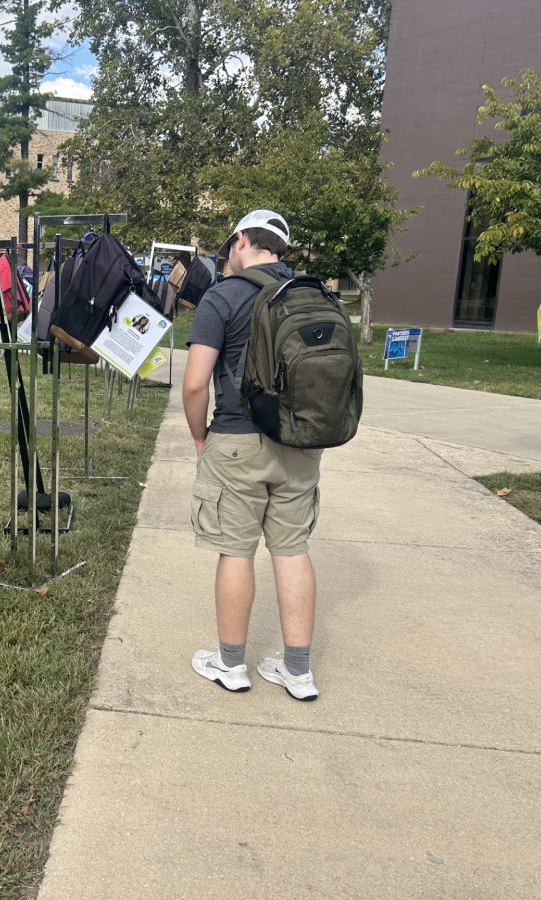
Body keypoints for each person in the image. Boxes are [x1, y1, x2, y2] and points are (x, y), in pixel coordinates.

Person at [182, 209, 322, 701]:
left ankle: (231, 664)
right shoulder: (312, 294)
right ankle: (298, 672)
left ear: (242, 240)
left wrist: (200, 438)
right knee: (292, 551)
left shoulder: (224, 296)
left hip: (237, 439)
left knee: (236, 551)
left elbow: (196, 383)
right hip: (301, 444)